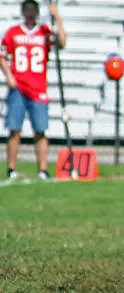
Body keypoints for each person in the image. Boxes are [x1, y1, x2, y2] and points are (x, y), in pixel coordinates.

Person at [0, 0, 66, 180]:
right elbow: (2, 55)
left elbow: (61, 43)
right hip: (19, 87)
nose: (30, 14)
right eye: (27, 10)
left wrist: (57, 18)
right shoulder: (13, 33)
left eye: (32, 11)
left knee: (40, 130)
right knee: (14, 129)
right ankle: (11, 168)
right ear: (22, 12)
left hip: (38, 87)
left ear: (37, 12)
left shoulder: (44, 31)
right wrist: (9, 76)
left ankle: (43, 169)